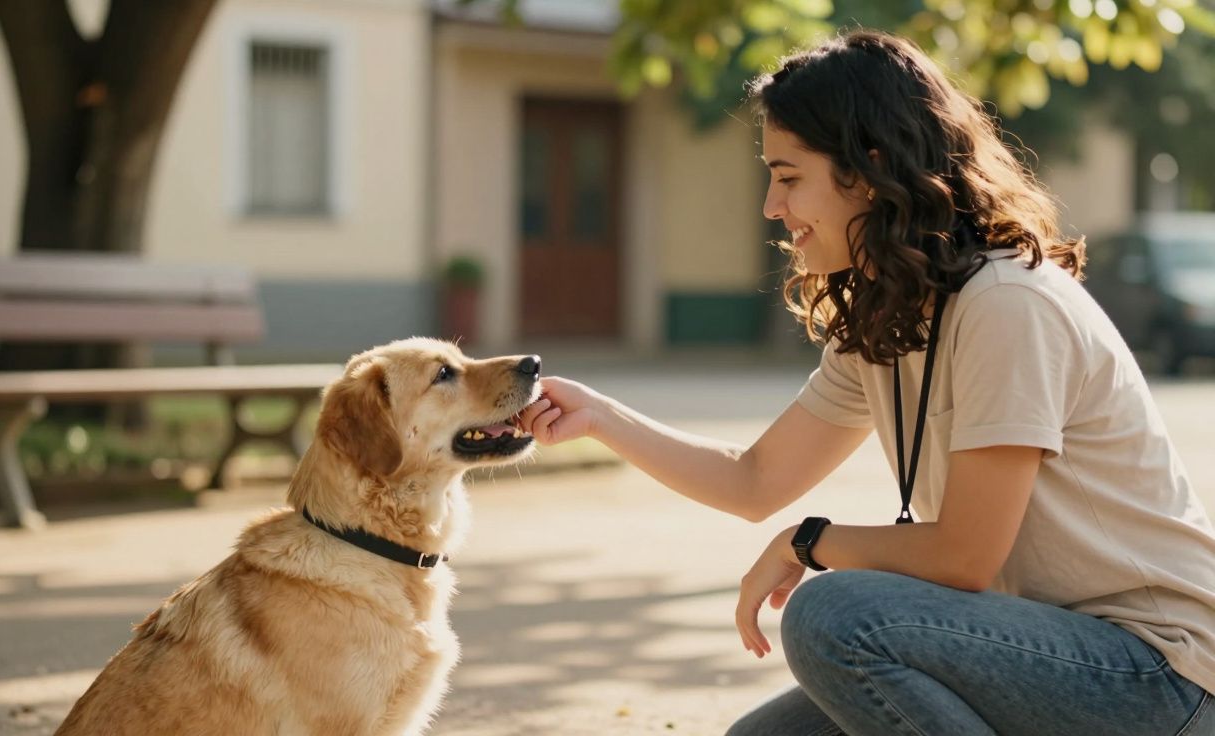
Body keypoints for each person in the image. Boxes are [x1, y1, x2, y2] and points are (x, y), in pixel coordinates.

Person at [515, 29, 1215, 736]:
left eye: (790, 177)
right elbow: (754, 480)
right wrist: (600, 417)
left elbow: (965, 557)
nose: (771, 206)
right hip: (1039, 652)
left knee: (836, 616)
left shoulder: (1007, 303)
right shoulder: (893, 316)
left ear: (870, 170)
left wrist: (809, 540)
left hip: (1162, 676)